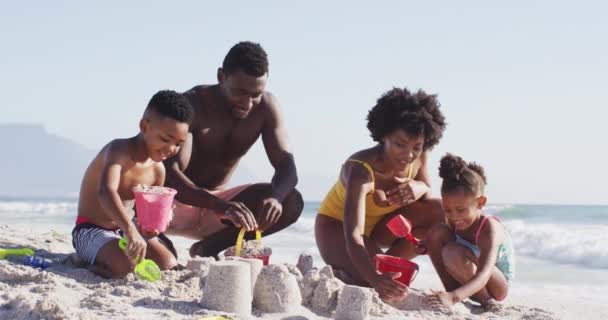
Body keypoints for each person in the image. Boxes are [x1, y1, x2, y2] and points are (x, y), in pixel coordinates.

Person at [164, 41, 303, 258]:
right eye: (239, 92)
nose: (247, 104)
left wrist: (276, 197)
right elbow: (170, 175)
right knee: (163, 255)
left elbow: (287, 166)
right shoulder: (194, 105)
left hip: (219, 209)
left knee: (291, 201)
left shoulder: (266, 108)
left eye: (255, 94)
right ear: (221, 77)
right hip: (176, 206)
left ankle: (207, 249)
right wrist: (218, 205)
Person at [315, 87, 447, 300]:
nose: (409, 154)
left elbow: (426, 193)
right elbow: (353, 235)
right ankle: (357, 273)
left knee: (439, 211)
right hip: (337, 227)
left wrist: (418, 187)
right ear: (384, 135)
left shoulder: (419, 157)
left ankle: (374, 270)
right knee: (373, 282)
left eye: (417, 147)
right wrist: (376, 279)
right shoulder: (360, 170)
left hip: (378, 228)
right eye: (400, 144)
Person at [72, 90, 193, 278]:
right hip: (90, 230)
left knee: (168, 264)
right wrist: (130, 230)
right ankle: (87, 264)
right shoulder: (118, 151)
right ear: (144, 126)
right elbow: (106, 192)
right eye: (165, 139)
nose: (171, 149)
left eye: (178, 143)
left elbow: (146, 218)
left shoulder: (158, 170)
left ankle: (112, 255)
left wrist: (149, 229)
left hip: (126, 231)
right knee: (126, 267)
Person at [426, 154, 515, 309]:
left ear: (480, 202)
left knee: (452, 252)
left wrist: (454, 298)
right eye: (447, 209)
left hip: (495, 286)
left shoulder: (489, 229)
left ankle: (486, 302)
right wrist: (424, 245)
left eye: (460, 210)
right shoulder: (454, 220)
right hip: (467, 282)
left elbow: (484, 273)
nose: (454, 216)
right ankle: (451, 290)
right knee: (436, 233)